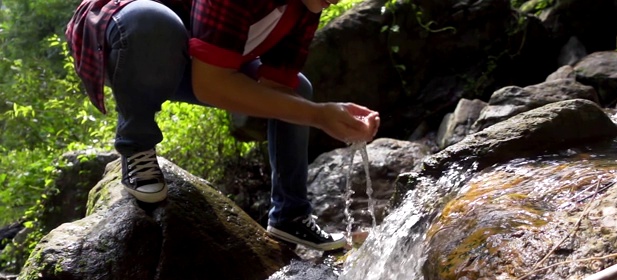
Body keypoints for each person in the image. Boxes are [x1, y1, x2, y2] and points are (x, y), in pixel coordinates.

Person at [65, 0, 380, 251]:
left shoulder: (306, 7)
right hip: (125, 36)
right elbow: (210, 85)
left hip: (192, 54)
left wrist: (325, 114)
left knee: (300, 90)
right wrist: (318, 115)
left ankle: (290, 215)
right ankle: (136, 147)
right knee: (154, 22)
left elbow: (278, 89)